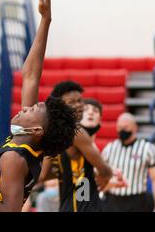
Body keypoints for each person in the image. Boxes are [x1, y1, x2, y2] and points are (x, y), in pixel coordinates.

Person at [0, 0, 78, 212]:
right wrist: (45, 20)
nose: (25, 108)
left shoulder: (14, 159)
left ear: (37, 130)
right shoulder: (28, 146)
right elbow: (30, 75)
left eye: (32, 110)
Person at [39, 81, 125, 212]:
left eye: (80, 101)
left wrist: (68, 172)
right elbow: (105, 171)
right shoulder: (76, 132)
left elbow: (43, 175)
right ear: (60, 106)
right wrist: (105, 175)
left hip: (68, 205)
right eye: (72, 102)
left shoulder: (53, 133)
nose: (78, 105)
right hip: (83, 205)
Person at [102, 113, 155, 212]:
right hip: (112, 201)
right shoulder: (109, 148)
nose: (122, 130)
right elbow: (101, 176)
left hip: (137, 201)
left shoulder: (147, 149)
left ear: (135, 127)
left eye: (125, 127)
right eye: (119, 127)